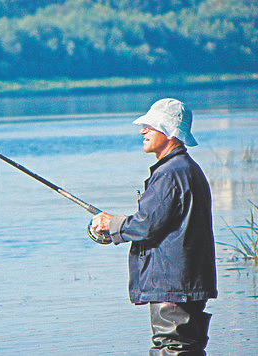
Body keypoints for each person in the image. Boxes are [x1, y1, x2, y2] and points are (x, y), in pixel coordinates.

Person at [91, 98, 217, 355]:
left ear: (169, 132)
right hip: (186, 280)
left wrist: (110, 223)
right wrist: (117, 223)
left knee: (172, 347)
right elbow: (156, 221)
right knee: (187, 346)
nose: (142, 131)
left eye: (150, 126)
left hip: (172, 283)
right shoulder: (187, 169)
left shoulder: (169, 172)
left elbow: (146, 225)